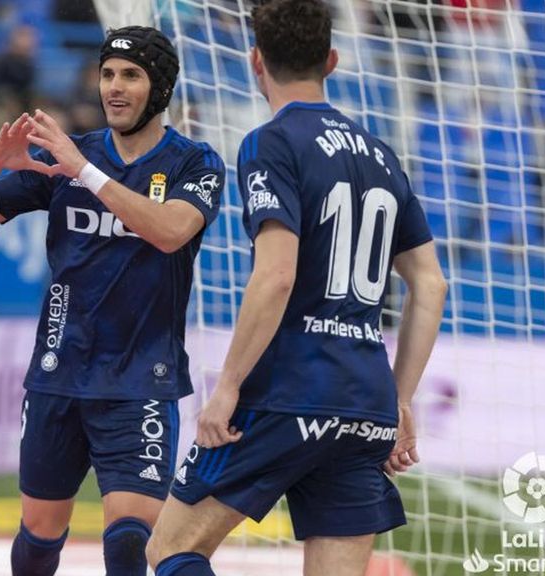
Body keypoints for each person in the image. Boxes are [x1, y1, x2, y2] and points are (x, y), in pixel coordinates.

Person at [145, 1, 449, 575]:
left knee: (171, 550)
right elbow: (430, 285)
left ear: (255, 61)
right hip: (364, 401)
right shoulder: (383, 157)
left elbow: (277, 273)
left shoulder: (270, 143)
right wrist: (400, 399)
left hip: (287, 391)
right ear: (332, 61)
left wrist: (229, 384)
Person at [0, 25, 225, 576]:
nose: (115, 88)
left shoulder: (195, 162)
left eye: (131, 76)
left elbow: (169, 231)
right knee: (38, 539)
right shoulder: (70, 157)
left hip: (141, 378)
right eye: (108, 75)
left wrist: (85, 172)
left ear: (160, 87)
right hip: (58, 374)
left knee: (129, 543)